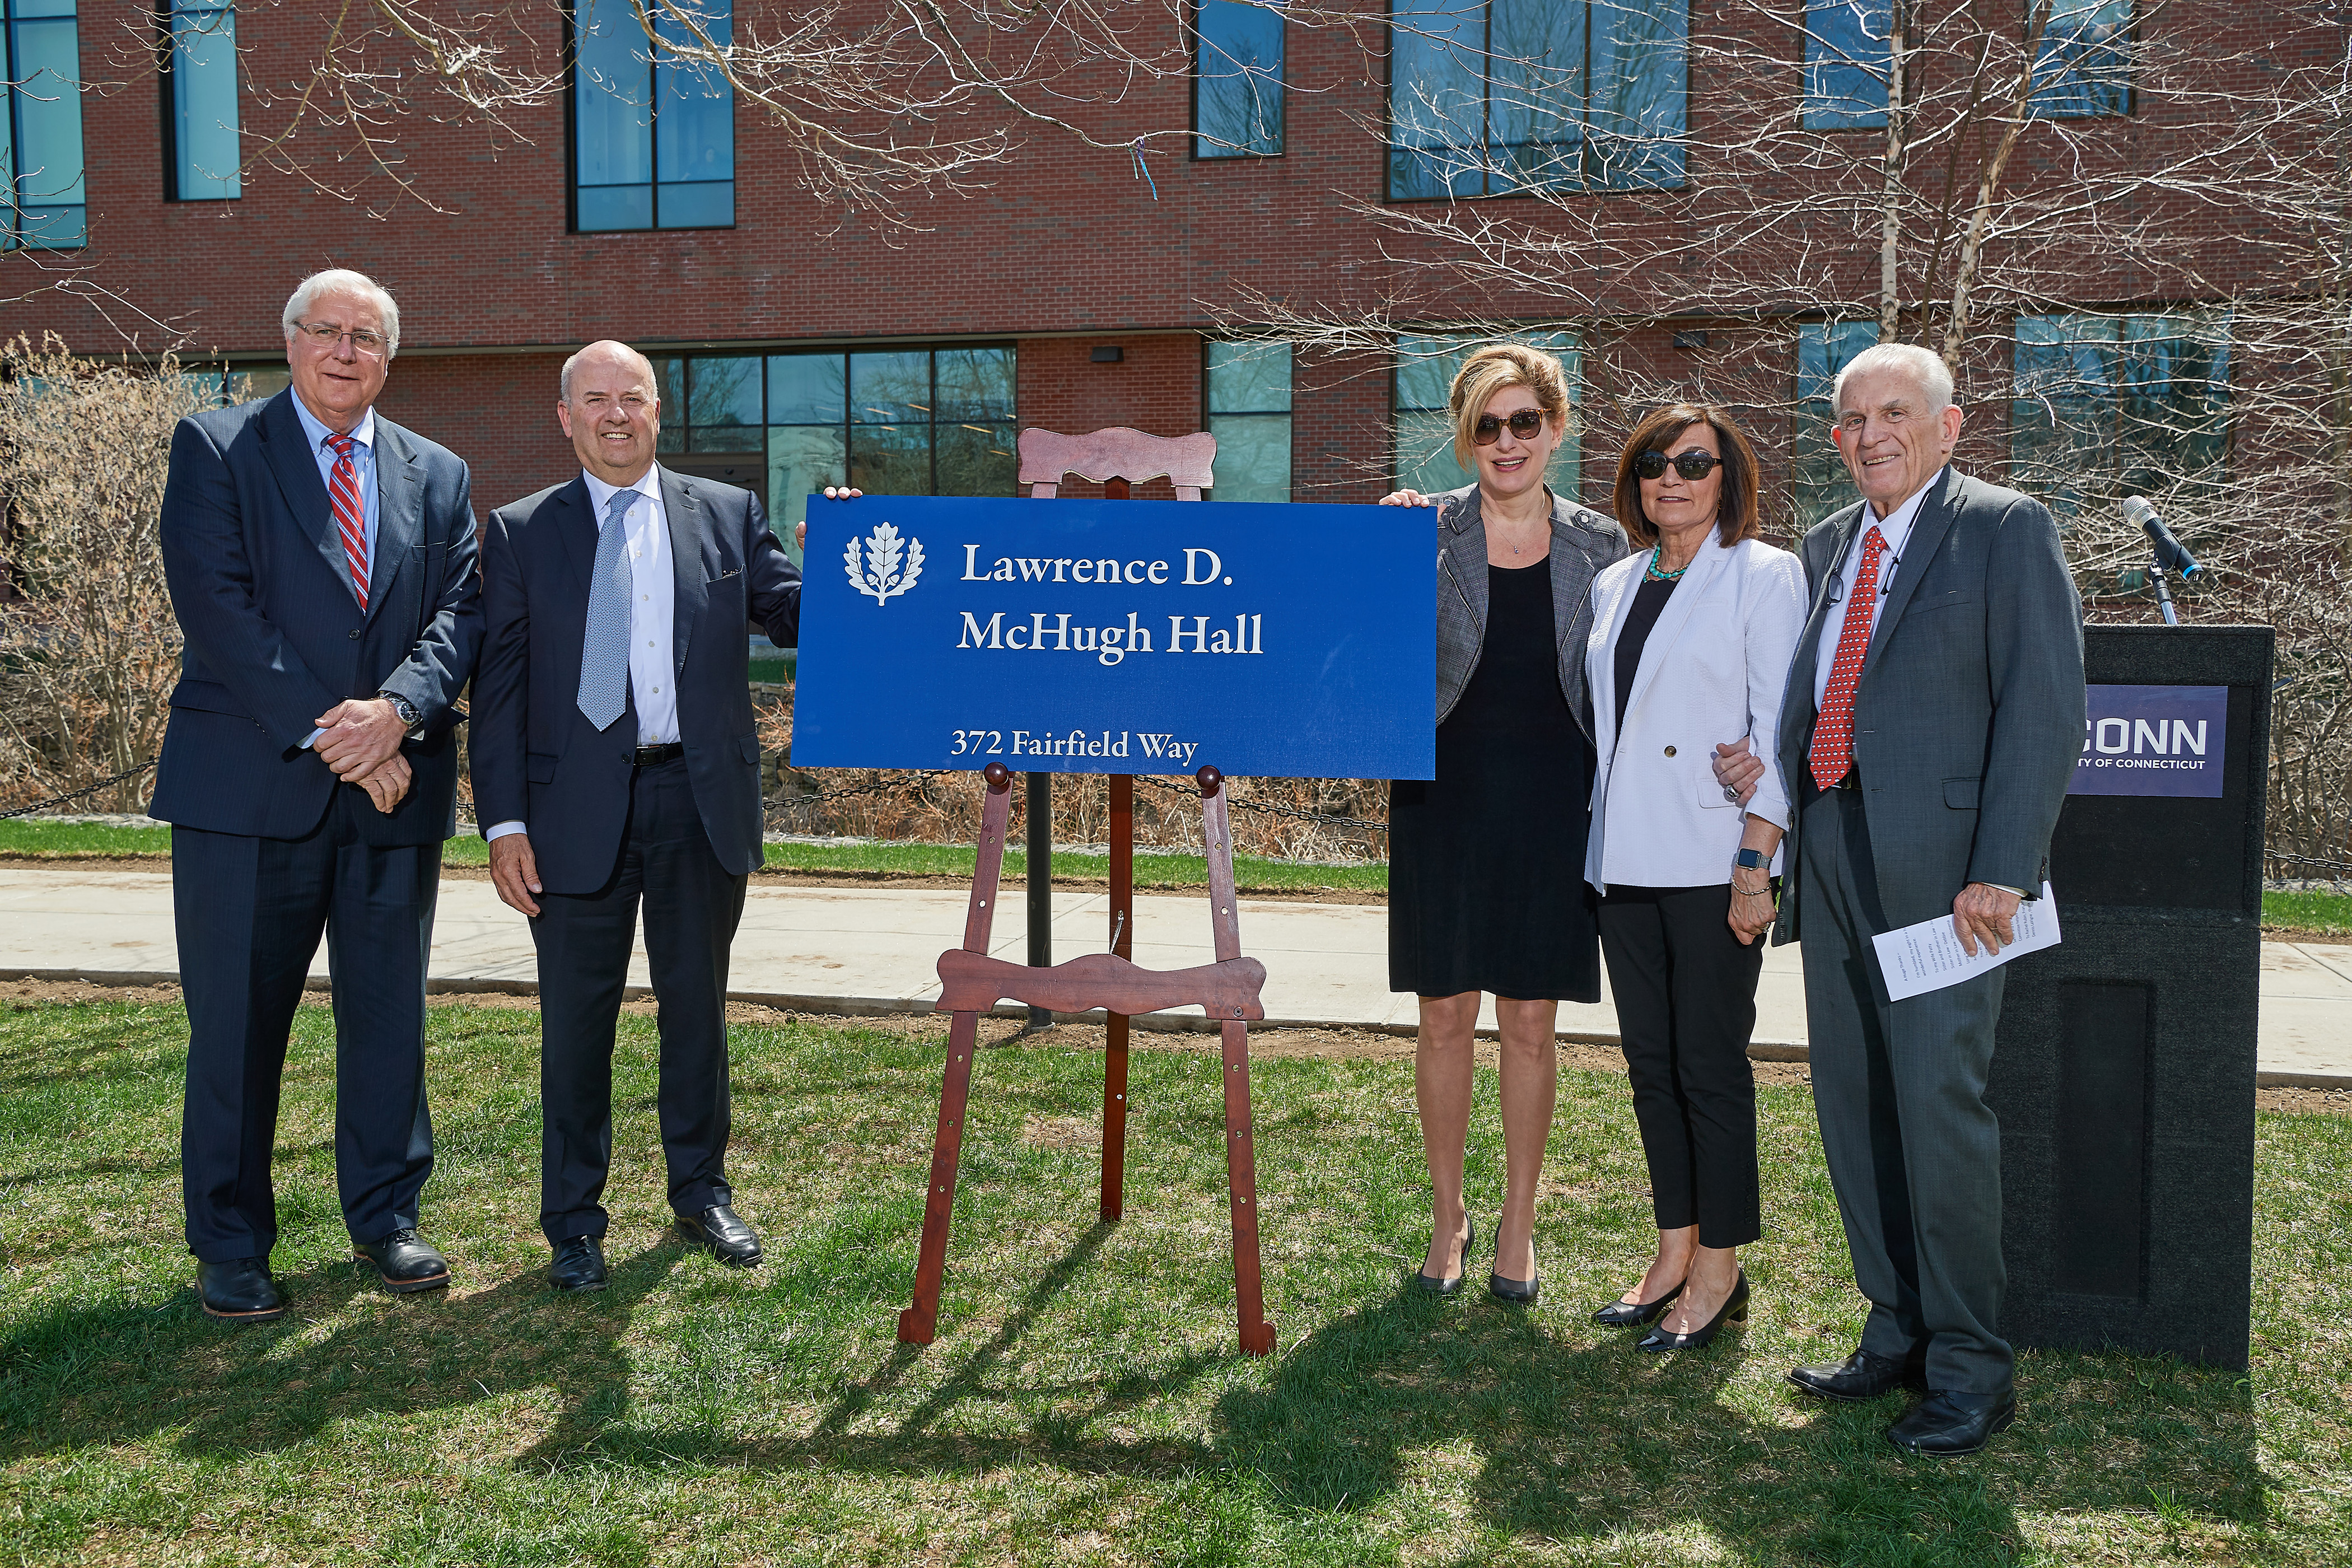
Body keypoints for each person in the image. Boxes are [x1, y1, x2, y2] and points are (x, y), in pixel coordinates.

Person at [1713, 343, 2084, 1454]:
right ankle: (1897, 1327)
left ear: (1948, 425)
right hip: (1835, 850)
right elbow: (1811, 695)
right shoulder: (1829, 545)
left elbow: (2043, 705)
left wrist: (2004, 863)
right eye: (1852, 419)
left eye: (1894, 413)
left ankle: (1972, 1368)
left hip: (1950, 875)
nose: (1872, 434)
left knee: (1939, 1112)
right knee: (1854, 1105)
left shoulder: (2004, 528)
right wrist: (1771, 835)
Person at [155, 268, 483, 1322]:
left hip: (394, 792)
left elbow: (461, 615)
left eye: (368, 337)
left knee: (390, 1021)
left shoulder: (437, 473)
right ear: (290, 342)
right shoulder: (217, 447)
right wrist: (338, 733)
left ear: (391, 359)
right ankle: (232, 1241)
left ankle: (386, 1217)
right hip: (250, 794)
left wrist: (394, 713)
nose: (347, 351)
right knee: (239, 1027)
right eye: (327, 332)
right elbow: (217, 606)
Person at [472, 340, 819, 1292]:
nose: (616, 415)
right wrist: (502, 823)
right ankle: (574, 1223)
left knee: (697, 1013)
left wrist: (855, 567)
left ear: (658, 412)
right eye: (596, 400)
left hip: (696, 801)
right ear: (565, 415)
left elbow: (792, 611)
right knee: (576, 1027)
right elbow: (496, 693)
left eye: (634, 398)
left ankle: (700, 1189)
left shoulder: (725, 514)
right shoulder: (517, 532)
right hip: (570, 813)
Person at [1380, 342, 1628, 1304]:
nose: (1507, 440)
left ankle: (1518, 1225)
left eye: (1525, 421)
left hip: (1552, 805)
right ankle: (1448, 1220)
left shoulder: (1604, 546)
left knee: (1531, 1024)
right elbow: (1341, 614)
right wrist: (1381, 539)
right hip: (1442, 797)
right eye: (1488, 425)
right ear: (1464, 438)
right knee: (1443, 1019)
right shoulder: (1423, 533)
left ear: (1556, 430)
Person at [1583, 404, 1805, 1351]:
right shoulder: (1613, 582)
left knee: (1710, 1070)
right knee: (1651, 1070)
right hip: (1623, 861)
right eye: (1652, 465)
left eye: (1692, 463)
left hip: (1715, 863)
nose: (1670, 479)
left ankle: (1721, 1268)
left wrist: (1757, 866)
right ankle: (1674, 1247)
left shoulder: (1764, 574)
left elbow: (1782, 733)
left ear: (1728, 478)